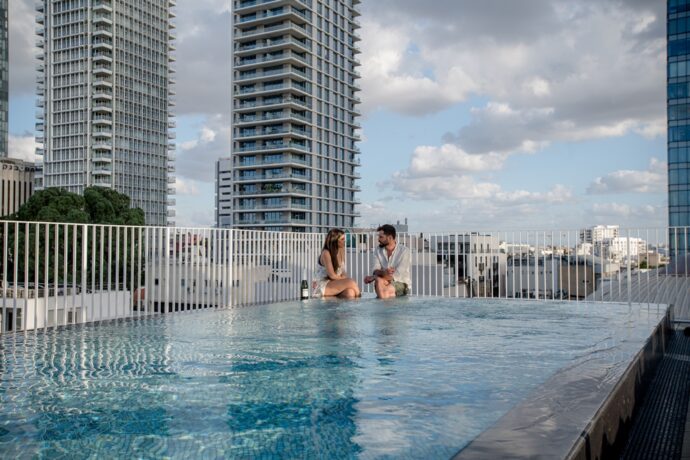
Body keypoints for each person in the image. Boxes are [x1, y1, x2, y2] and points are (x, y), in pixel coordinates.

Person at [364, 224, 411, 299]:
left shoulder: (404, 251)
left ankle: (382, 304)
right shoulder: (378, 250)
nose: (378, 239)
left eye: (381, 237)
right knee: (381, 284)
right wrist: (383, 273)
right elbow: (375, 270)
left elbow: (397, 275)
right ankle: (385, 304)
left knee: (383, 289)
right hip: (383, 282)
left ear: (390, 238)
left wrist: (375, 276)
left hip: (401, 283)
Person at [312, 228, 361, 299]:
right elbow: (332, 275)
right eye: (342, 239)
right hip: (323, 285)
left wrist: (344, 278)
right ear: (335, 241)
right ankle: (360, 302)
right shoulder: (326, 253)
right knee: (351, 282)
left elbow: (342, 271)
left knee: (350, 292)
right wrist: (345, 279)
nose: (345, 241)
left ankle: (344, 306)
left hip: (335, 282)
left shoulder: (341, 250)